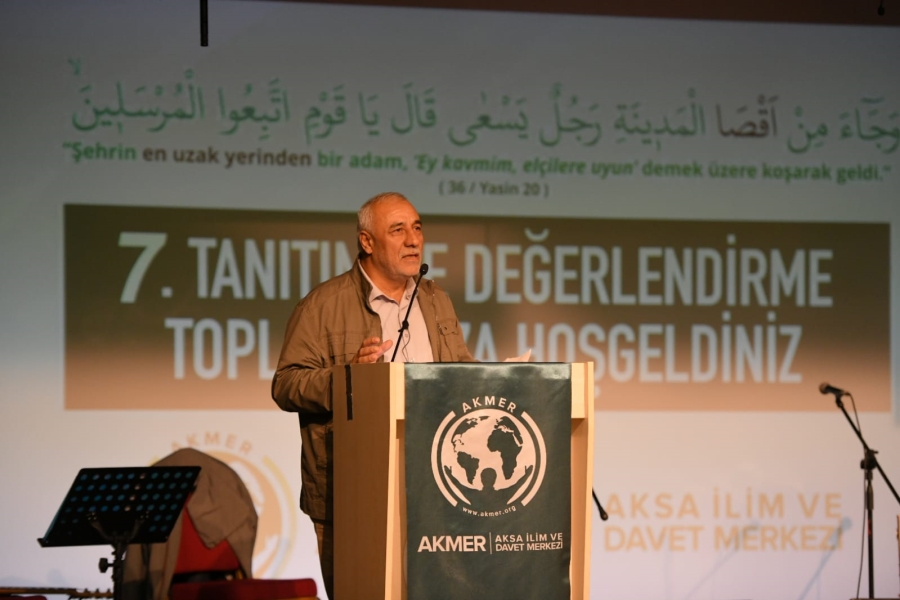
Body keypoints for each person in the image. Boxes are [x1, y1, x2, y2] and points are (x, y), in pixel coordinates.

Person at [272, 192, 475, 599]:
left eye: (417, 228)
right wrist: (349, 379)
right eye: (398, 230)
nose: (413, 240)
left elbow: (461, 373)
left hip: (438, 490)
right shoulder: (323, 305)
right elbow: (287, 384)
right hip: (352, 494)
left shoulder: (435, 300)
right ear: (367, 241)